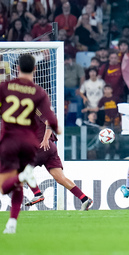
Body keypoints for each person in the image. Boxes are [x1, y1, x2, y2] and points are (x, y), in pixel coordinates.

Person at [0, 54, 59, 234]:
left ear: (17, 69)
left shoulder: (5, 87)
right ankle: (12, 222)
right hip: (28, 142)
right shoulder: (39, 92)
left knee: (6, 185)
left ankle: (22, 177)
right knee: (18, 182)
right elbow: (53, 121)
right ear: (35, 69)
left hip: (10, 141)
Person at [25, 114, 93, 211]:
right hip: (50, 149)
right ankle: (84, 199)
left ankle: (37, 194)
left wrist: (45, 140)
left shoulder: (36, 108)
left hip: (41, 147)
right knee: (60, 178)